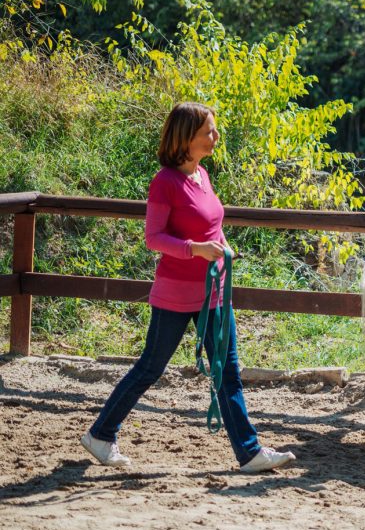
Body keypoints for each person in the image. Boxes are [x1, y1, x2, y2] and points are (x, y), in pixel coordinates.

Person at [80, 102, 296, 473]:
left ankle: (249, 452)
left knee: (227, 370)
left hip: (214, 292)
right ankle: (101, 434)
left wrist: (223, 246)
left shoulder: (202, 175)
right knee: (150, 367)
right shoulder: (165, 182)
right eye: (207, 132)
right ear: (186, 137)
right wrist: (194, 250)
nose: (215, 137)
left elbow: (211, 225)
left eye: (213, 130)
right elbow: (154, 238)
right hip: (176, 294)